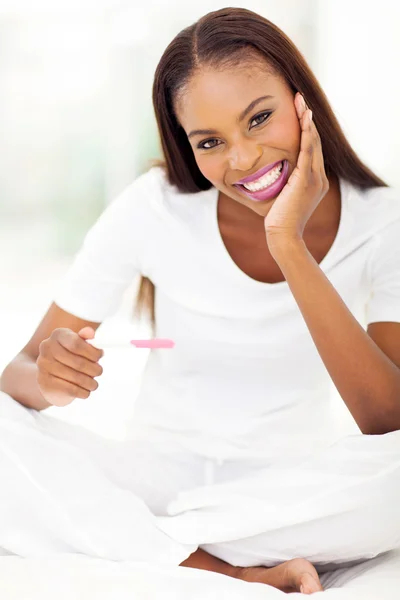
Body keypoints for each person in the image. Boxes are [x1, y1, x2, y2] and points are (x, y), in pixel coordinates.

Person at [1, 7, 400, 596]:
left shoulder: (381, 220)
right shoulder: (152, 208)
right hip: (158, 477)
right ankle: (216, 564)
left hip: (287, 488)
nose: (242, 160)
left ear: (302, 101)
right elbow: (18, 376)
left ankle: (130, 536)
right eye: (210, 141)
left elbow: (388, 421)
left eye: (259, 118)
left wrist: (288, 244)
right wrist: (51, 381)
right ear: (187, 146)